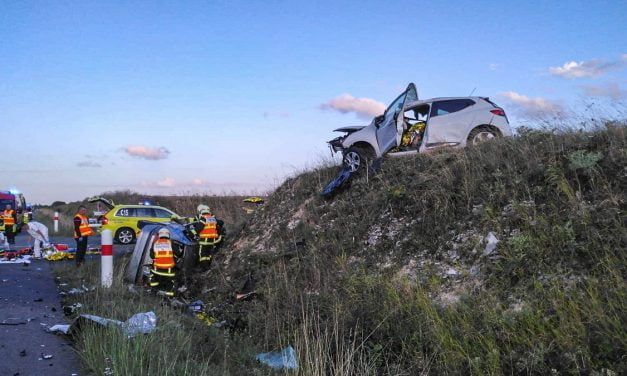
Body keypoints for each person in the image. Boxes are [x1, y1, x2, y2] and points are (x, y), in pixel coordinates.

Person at [194, 205, 224, 269]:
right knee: (208, 253)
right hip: (212, 240)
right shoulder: (212, 218)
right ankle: (208, 265)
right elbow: (220, 223)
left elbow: (198, 229)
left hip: (204, 240)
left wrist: (193, 232)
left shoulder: (203, 218)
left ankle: (204, 267)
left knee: (202, 254)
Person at [149, 228, 177, 297]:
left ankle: (153, 292)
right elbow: (178, 253)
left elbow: (152, 256)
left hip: (156, 270)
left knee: (153, 278)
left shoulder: (155, 243)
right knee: (170, 282)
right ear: (168, 235)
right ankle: (169, 297)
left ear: (159, 235)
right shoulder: (171, 242)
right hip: (168, 270)